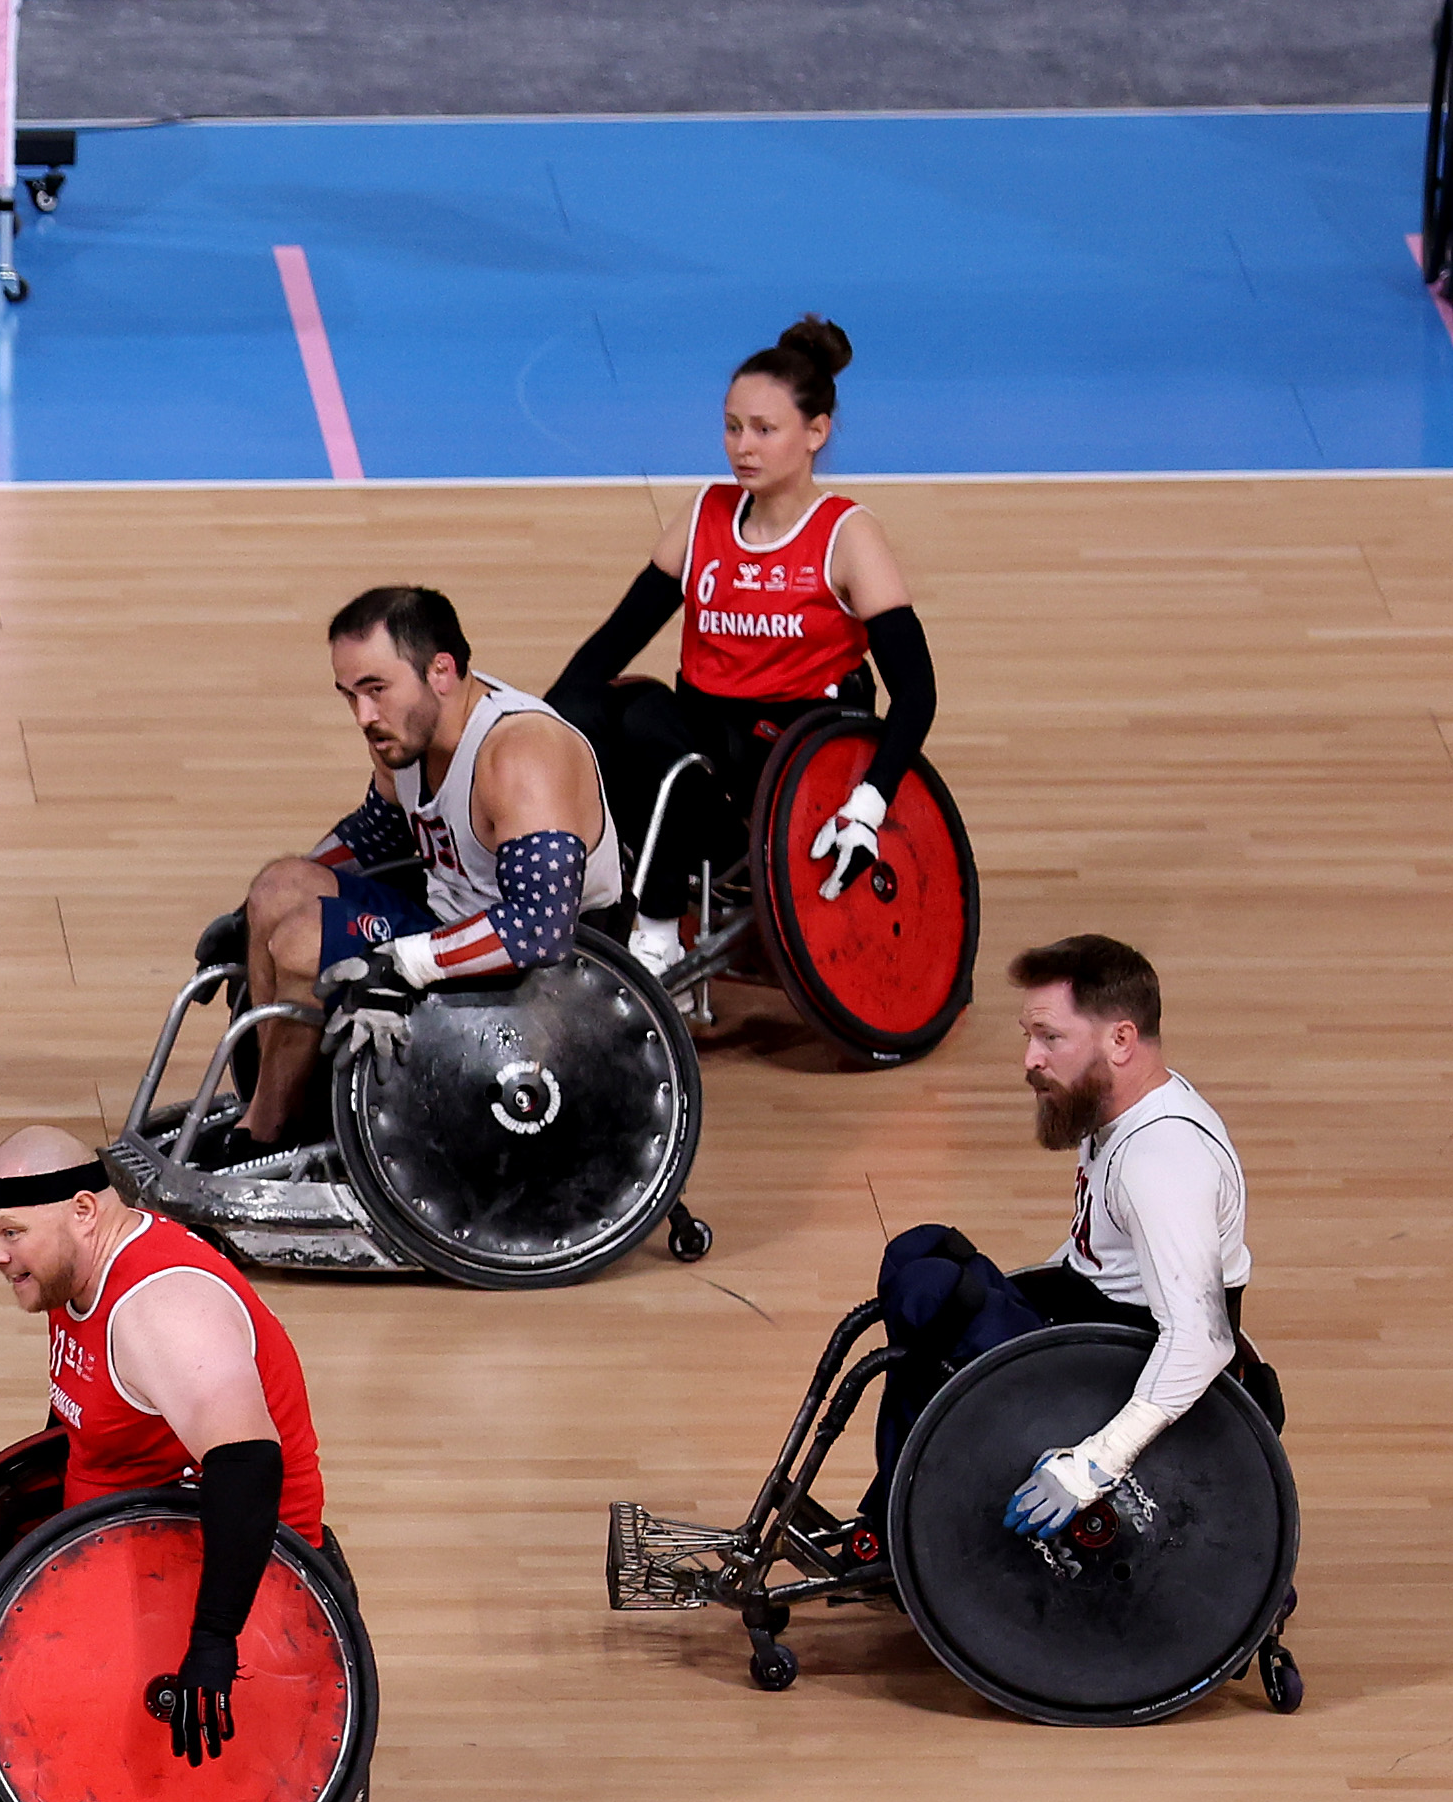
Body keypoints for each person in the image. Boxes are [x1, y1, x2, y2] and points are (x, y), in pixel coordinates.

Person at [0, 1127, 332, 1766]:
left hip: (220, 1577)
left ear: (82, 1211)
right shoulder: (78, 1271)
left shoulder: (163, 1310)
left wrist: (213, 1642)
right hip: (111, 1545)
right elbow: (79, 1420)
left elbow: (248, 1464)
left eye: (9, 1234)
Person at [849, 935, 1271, 1555]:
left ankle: (906, 1532)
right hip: (1096, 1328)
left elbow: (1204, 1341)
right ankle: (905, 1513)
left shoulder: (1162, 1161)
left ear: (1120, 1041)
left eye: (1050, 1038)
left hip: (1123, 1369)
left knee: (932, 1295)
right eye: (1029, 1036)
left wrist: (1090, 1467)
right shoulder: (1116, 1113)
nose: (1029, 1059)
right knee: (921, 1253)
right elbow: (1101, 1256)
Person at [543, 316, 935, 975]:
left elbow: (916, 692)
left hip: (787, 738)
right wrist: (542, 724)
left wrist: (869, 803)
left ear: (816, 433)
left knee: (648, 727)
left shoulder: (847, 536)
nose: (742, 447)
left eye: (763, 429)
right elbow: (612, 643)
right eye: (732, 427)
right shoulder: (704, 515)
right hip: (701, 721)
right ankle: (588, 890)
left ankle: (660, 928)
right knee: (583, 712)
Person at [225, 587, 618, 1152]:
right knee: (277, 887)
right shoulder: (404, 738)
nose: (363, 716)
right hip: (445, 927)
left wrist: (405, 961)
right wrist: (247, 917)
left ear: (441, 671)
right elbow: (376, 832)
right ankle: (281, 1104)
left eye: (376, 690)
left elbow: (541, 927)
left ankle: (263, 1135)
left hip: (544, 979)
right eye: (350, 695)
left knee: (302, 944)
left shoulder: (522, 752)